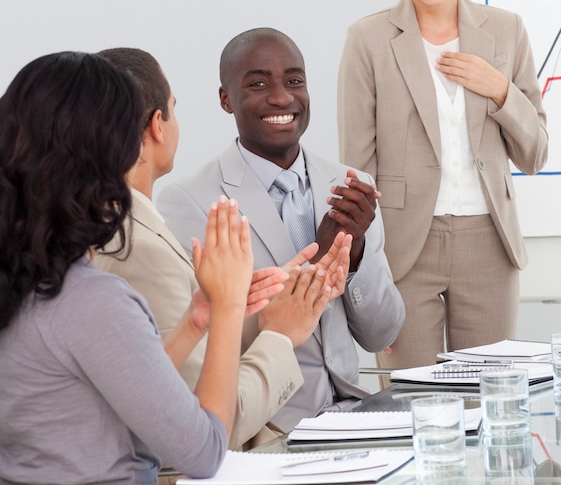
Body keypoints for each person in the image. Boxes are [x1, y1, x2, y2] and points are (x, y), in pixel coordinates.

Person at [0, 51, 286, 484]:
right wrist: (227, 309)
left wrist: (196, 320)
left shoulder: (27, 281)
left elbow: (121, 386)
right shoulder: (91, 300)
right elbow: (203, 452)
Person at [93, 47, 350, 451]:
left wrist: (272, 303)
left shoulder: (124, 224)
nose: (281, 97)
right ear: (158, 126)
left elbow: (173, 346)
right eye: (174, 108)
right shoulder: (138, 244)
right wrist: (281, 334)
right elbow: (208, 421)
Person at [337, 0, 548, 373]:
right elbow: (357, 168)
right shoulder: (367, 40)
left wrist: (499, 91)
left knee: (489, 402)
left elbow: (535, 152)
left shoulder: (506, 30)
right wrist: (366, 279)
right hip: (404, 248)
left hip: (488, 245)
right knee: (411, 404)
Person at [157, 27, 405, 433]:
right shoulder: (188, 201)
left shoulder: (351, 184)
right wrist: (314, 267)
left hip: (357, 421)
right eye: (258, 83)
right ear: (225, 99)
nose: (281, 97)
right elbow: (197, 347)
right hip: (267, 431)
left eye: (294, 81)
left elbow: (382, 335)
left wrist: (354, 252)